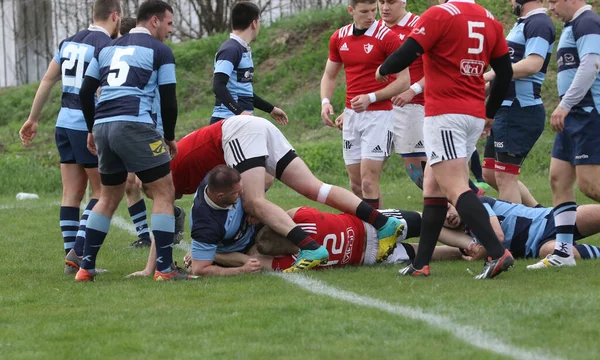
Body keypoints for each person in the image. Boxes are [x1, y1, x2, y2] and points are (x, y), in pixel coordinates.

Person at [377, 0, 515, 279]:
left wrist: (383, 69)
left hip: (446, 114)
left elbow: (407, 54)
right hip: (472, 113)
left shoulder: (439, 14)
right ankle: (420, 263)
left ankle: (498, 251)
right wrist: (489, 112)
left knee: (454, 187)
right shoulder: (489, 19)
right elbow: (506, 72)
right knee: (433, 185)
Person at [76, 0, 195, 282]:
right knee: (165, 191)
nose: (170, 30)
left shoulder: (107, 48)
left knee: (108, 196)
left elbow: (84, 93)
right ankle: (165, 269)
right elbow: (168, 99)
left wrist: (93, 127)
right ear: (153, 21)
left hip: (104, 125)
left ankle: (85, 268)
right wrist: (168, 137)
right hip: (135, 125)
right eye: (169, 23)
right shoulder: (160, 51)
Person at [18, 0, 122, 271]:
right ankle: (79, 250)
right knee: (101, 192)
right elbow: (100, 91)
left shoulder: (68, 43)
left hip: (63, 123)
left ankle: (70, 260)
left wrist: (33, 118)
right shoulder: (105, 46)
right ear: (115, 16)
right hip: (86, 125)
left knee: (71, 192)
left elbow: (47, 80)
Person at [528, 0, 600, 269]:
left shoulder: (588, 22)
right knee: (558, 180)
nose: (550, 8)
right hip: (574, 117)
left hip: (588, 114)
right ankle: (563, 252)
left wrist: (565, 105)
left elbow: (592, 65)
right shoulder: (573, 26)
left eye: (554, 1)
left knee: (590, 185)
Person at [320, 0, 410, 209]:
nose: (371, 16)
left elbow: (404, 81)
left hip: (379, 116)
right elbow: (329, 75)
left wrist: (371, 97)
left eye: (373, 10)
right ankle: (377, 227)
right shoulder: (339, 37)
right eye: (364, 12)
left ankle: (374, 237)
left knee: (369, 182)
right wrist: (325, 102)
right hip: (352, 116)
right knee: (357, 185)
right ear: (351, 11)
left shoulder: (388, 37)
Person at [481, 0, 555, 204]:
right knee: (489, 173)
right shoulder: (522, 23)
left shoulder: (539, 22)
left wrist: (491, 74)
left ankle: (515, 231)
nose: (510, 1)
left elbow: (533, 64)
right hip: (504, 109)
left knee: (505, 177)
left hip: (519, 110)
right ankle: (538, 216)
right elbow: (507, 70)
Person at [444, 197, 600, 262]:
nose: (448, 216)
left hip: (548, 219)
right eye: (442, 218)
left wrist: (479, 254)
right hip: (537, 247)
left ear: (453, 203)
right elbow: (441, 251)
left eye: (448, 208)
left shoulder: (477, 203)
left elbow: (497, 236)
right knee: (555, 252)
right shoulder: (462, 240)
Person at [211, 1, 288, 125]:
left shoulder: (242, 49)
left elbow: (243, 92)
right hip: (227, 121)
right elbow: (218, 86)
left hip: (238, 120)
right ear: (254, 23)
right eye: (260, 22)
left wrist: (270, 109)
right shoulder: (230, 50)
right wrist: (240, 112)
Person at [377, 0, 427, 189]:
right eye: (381, 2)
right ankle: (370, 218)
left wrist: (413, 90)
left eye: (391, 2)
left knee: (417, 169)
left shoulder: (419, 26)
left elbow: (438, 68)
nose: (385, 7)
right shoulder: (375, 29)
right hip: (378, 108)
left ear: (403, 2)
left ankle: (466, 202)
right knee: (364, 174)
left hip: (412, 106)